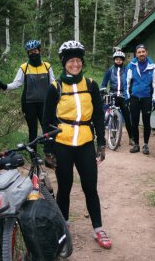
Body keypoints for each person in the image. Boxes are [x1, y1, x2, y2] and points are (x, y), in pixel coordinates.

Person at [42, 40, 112, 249]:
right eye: (71, 60)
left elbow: (99, 117)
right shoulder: (55, 87)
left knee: (90, 187)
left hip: (84, 143)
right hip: (62, 143)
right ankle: (64, 226)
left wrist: (101, 144)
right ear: (64, 63)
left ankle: (98, 229)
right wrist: (48, 149)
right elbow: (46, 120)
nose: (75, 64)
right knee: (64, 187)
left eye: (78, 60)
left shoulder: (90, 85)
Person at [0, 40, 55, 150]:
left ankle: (49, 155)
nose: (33, 54)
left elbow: (53, 83)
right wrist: (4, 86)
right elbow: (17, 83)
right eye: (30, 52)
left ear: (40, 51)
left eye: (35, 51)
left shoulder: (47, 67)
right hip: (28, 103)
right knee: (32, 130)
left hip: (44, 103)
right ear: (28, 54)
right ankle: (33, 156)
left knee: (47, 129)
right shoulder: (24, 67)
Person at [125, 44, 155, 155]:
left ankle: (146, 145)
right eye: (139, 52)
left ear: (146, 52)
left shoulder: (152, 66)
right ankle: (136, 145)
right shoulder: (131, 66)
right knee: (134, 122)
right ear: (136, 54)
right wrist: (127, 98)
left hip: (146, 98)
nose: (141, 54)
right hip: (134, 97)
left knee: (146, 122)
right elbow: (127, 83)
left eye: (143, 51)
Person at [100, 50, 133, 145]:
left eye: (120, 60)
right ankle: (114, 137)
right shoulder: (110, 70)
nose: (118, 61)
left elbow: (131, 82)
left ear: (123, 60)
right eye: (116, 59)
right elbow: (104, 83)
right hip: (113, 95)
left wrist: (130, 92)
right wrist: (103, 89)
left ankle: (131, 138)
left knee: (127, 117)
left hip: (123, 96)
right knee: (112, 116)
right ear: (114, 60)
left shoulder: (127, 70)